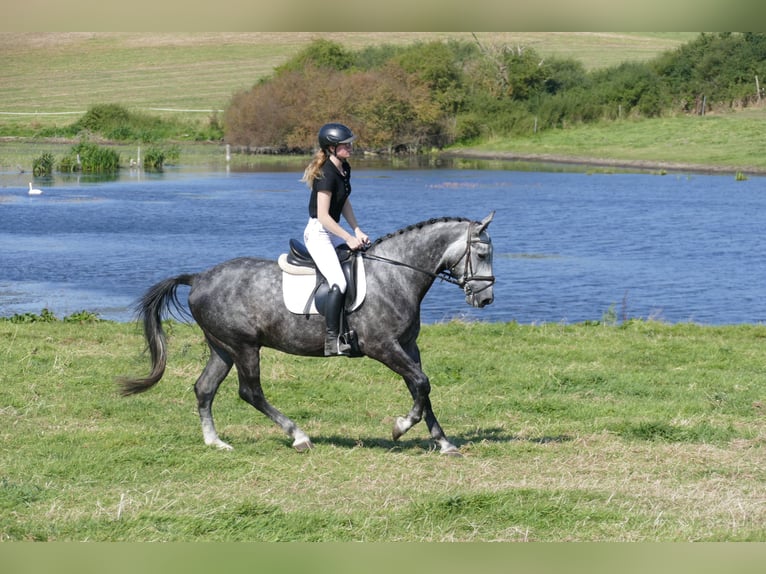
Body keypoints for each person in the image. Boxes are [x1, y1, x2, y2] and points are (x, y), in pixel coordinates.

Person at [301, 122, 370, 356]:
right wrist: (347, 237)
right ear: (331, 148)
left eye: (350, 143)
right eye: (345, 144)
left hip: (333, 230)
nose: (350, 147)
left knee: (360, 264)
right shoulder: (325, 174)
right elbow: (322, 216)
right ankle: (331, 340)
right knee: (338, 283)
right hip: (319, 232)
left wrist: (357, 230)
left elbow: (344, 201)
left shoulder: (344, 168)